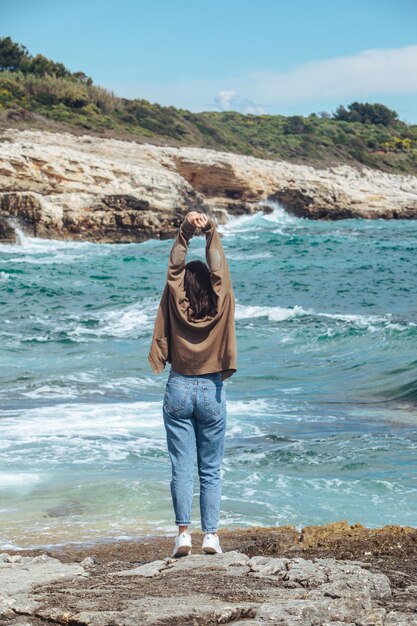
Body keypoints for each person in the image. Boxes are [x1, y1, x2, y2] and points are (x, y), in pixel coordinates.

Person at [148, 210, 237, 557]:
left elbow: (173, 271)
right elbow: (220, 272)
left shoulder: (176, 302)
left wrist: (185, 232)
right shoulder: (221, 306)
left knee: (181, 468)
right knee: (210, 469)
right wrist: (210, 232)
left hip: (179, 387)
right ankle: (211, 537)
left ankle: (183, 535)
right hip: (211, 390)